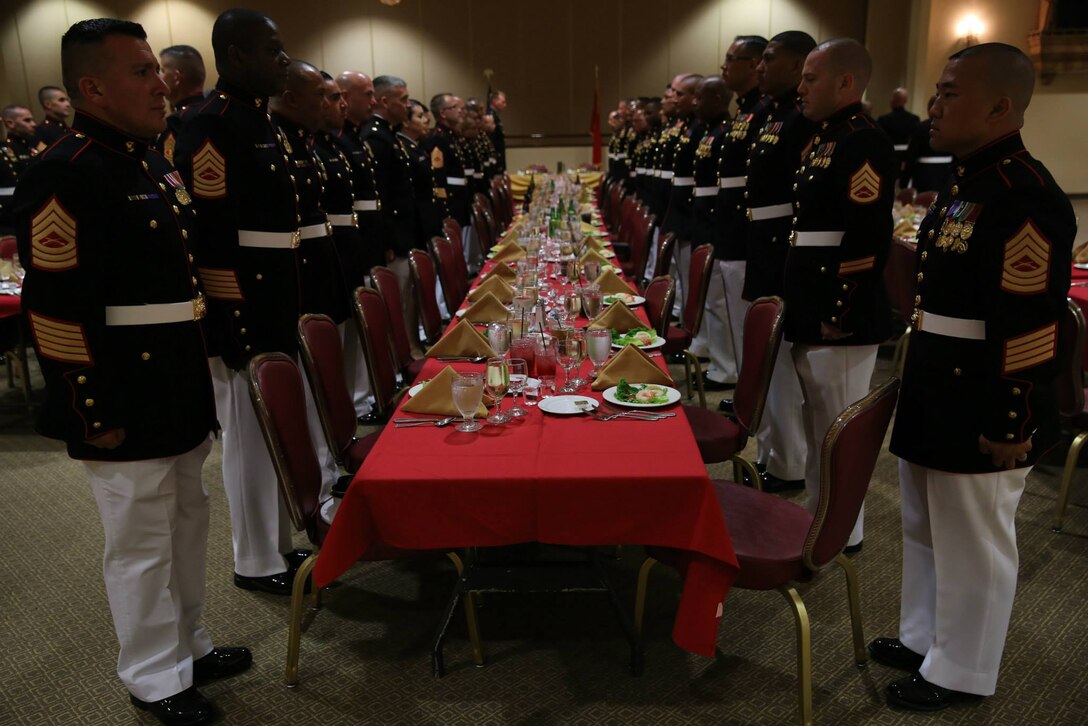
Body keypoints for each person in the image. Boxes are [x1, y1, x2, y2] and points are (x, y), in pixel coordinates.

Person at [13, 18, 249, 725]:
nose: (162, 82)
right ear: (93, 86)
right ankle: (154, 676)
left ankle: (188, 642)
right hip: (119, 386)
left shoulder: (149, 159)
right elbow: (54, 304)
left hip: (174, 377)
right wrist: (90, 408)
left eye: (157, 68)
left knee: (185, 522)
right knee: (140, 542)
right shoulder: (65, 168)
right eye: (143, 71)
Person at [875, 43, 1075, 712]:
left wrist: (1008, 418)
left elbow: (1029, 323)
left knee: (976, 539)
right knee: (925, 524)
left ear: (999, 106)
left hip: (984, 393)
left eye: (950, 92)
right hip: (938, 379)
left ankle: (963, 671)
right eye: (936, 90)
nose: (934, 104)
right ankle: (925, 636)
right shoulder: (970, 179)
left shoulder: (1026, 193)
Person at [173, 8, 306, 597]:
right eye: (272, 50)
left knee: (276, 424)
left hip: (277, 289)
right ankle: (254, 557)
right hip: (245, 303)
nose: (284, 59)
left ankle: (278, 541)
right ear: (234, 59)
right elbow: (210, 229)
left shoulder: (260, 120)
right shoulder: (210, 123)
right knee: (249, 435)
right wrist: (233, 311)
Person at [785, 38, 895, 551]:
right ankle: (818, 515)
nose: (801, 87)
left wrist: (840, 309)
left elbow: (867, 234)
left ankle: (843, 531)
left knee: (839, 424)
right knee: (816, 418)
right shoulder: (826, 137)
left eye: (811, 77)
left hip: (839, 309)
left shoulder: (863, 141)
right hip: (812, 297)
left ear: (846, 82)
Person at [739, 31, 818, 493]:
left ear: (795, 66)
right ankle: (772, 451)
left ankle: (788, 463)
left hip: (782, 248)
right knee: (768, 361)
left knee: (783, 367)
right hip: (762, 243)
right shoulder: (773, 115)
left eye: (769, 60)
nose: (759, 68)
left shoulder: (801, 121)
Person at [269, 60, 348, 501]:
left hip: (319, 266)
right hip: (296, 275)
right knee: (309, 388)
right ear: (292, 97)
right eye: (321, 94)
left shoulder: (303, 140)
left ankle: (328, 465)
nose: (328, 103)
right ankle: (320, 481)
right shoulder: (275, 138)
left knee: (325, 379)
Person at [698, 36, 767, 393]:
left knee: (742, 321)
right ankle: (740, 384)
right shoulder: (746, 112)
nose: (724, 65)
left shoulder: (766, 112)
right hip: (729, 227)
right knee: (726, 311)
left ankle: (742, 385)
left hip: (745, 232)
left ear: (755, 63)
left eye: (731, 58)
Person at [364, 75, 423, 356]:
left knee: (407, 298)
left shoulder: (388, 134)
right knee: (397, 302)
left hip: (404, 230)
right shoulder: (376, 136)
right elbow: (381, 196)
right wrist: (387, 240)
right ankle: (401, 355)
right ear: (385, 101)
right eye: (403, 99)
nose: (408, 105)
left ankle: (409, 348)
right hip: (394, 234)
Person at [400, 98, 446, 242]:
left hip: (429, 217)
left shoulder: (417, 147)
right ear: (406, 122)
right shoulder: (404, 148)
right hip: (419, 219)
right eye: (419, 116)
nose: (426, 120)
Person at [155, 44, 206, 164]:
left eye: (161, 70)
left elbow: (169, 170)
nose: (158, 77)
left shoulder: (176, 123)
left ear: (176, 77)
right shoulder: (217, 111)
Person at [900, 95, 953, 192]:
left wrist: (903, 182)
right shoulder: (952, 128)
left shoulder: (920, 127)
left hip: (924, 173)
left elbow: (911, 156)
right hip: (946, 172)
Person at [878, 87, 920, 169]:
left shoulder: (883, 119)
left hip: (889, 155)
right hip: (907, 155)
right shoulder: (914, 119)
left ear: (893, 100)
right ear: (905, 101)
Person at [33, 85, 73, 149]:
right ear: (48, 104)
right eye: (61, 100)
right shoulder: (42, 131)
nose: (68, 104)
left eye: (67, 100)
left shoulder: (66, 128)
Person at [2, 104, 37, 172]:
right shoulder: (6, 150)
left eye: (33, 120)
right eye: (27, 120)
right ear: (10, 123)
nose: (34, 124)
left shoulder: (33, 145)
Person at [487, 88, 506, 173]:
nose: (505, 105)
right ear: (495, 101)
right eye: (503, 102)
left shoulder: (495, 116)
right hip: (495, 156)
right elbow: (492, 140)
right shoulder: (490, 116)